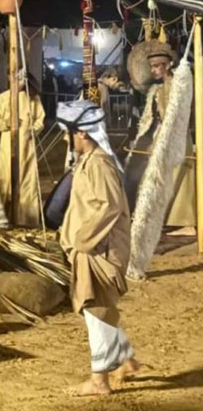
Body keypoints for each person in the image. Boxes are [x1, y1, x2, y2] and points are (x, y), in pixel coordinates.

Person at [57, 100, 138, 396]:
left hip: (99, 250)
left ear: (81, 133)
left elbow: (110, 206)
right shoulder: (89, 161)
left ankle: (99, 381)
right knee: (101, 309)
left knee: (96, 312)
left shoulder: (99, 164)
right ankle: (126, 361)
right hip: (94, 248)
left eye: (67, 132)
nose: (65, 138)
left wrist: (82, 241)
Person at [124, 43, 196, 235]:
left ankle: (186, 221)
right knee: (155, 176)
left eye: (157, 66)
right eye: (152, 67)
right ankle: (159, 217)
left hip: (178, 137)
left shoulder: (179, 85)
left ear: (168, 65)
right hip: (162, 137)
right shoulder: (157, 89)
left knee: (180, 176)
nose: (154, 70)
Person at [0, 73, 45, 227]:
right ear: (10, 77)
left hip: (27, 147)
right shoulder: (2, 98)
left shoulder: (33, 99)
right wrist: (7, 123)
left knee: (26, 181)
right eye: (18, 78)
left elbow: (40, 120)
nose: (20, 81)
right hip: (7, 148)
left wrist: (33, 129)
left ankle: (27, 219)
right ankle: (4, 217)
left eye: (23, 78)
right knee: (6, 180)